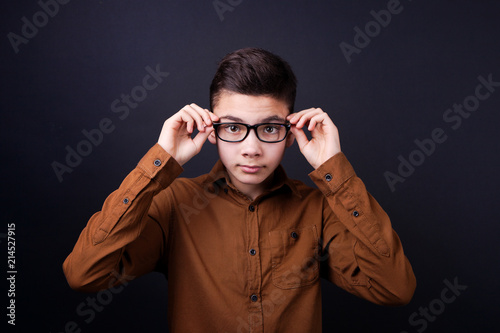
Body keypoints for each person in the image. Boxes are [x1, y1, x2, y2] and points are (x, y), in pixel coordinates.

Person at [63, 47, 416, 332]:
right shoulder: (175, 204)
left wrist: (334, 170)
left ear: (291, 133)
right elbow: (84, 274)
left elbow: (395, 288)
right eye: (233, 128)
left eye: (269, 128)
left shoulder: (319, 209)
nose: (251, 148)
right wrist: (160, 161)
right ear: (211, 129)